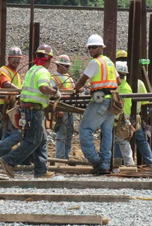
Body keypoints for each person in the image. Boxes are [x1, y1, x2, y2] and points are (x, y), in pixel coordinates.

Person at [0, 44, 61, 178]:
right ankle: (9, 160)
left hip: (28, 109)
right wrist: (55, 92)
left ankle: (41, 171)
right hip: (35, 111)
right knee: (32, 141)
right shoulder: (43, 71)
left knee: (41, 140)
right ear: (48, 59)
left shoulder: (32, 70)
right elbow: (44, 88)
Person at [74, 34, 120, 174]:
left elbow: (81, 81)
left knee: (85, 129)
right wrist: (100, 86)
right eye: (89, 48)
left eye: (94, 47)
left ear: (101, 48)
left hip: (100, 101)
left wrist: (75, 89)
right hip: (112, 101)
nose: (91, 50)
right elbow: (117, 82)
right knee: (107, 133)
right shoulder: (110, 62)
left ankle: (95, 160)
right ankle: (105, 165)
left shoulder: (95, 62)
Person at [114, 50, 152, 168]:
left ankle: (119, 163)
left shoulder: (114, 85)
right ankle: (150, 162)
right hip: (134, 118)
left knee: (119, 140)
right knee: (141, 141)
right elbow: (144, 102)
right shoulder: (139, 83)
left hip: (119, 119)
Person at [0, 46, 25, 165]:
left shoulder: (15, 73)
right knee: (16, 135)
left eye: (18, 59)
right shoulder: (4, 70)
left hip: (11, 107)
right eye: (14, 58)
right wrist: (20, 90)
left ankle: (4, 161)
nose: (16, 61)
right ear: (8, 58)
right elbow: (5, 84)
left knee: (7, 134)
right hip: (5, 108)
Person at [51, 55, 75, 159]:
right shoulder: (53, 78)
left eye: (68, 66)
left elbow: (74, 90)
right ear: (59, 65)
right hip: (61, 107)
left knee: (69, 131)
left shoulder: (69, 78)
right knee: (62, 132)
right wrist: (57, 110)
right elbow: (52, 96)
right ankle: (60, 157)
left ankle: (66, 156)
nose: (67, 68)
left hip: (70, 108)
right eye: (65, 66)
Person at [114, 61, 134, 166]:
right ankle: (129, 163)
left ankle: (127, 162)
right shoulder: (127, 86)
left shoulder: (116, 86)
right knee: (122, 141)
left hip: (116, 118)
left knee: (119, 141)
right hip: (124, 118)